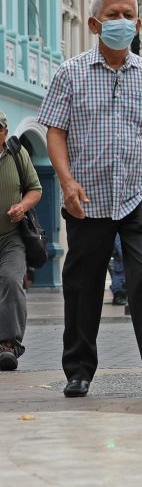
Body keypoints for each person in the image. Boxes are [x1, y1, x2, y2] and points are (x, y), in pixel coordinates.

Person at [38, 0, 142, 398]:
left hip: (141, 195)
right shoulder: (71, 72)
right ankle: (79, 371)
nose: (122, 22)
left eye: (129, 15)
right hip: (88, 198)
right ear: (94, 24)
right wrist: (66, 182)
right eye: (113, 14)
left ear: (139, 24)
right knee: (83, 284)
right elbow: (55, 131)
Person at [0, 112, 43, 372]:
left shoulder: (18, 154)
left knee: (11, 281)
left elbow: (35, 189)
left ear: (4, 131)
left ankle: (8, 344)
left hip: (11, 236)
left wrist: (22, 206)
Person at [109, 234, 126, 306]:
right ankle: (117, 297)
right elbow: (118, 244)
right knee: (119, 275)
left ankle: (118, 296)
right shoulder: (118, 233)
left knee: (119, 275)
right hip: (119, 257)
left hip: (118, 256)